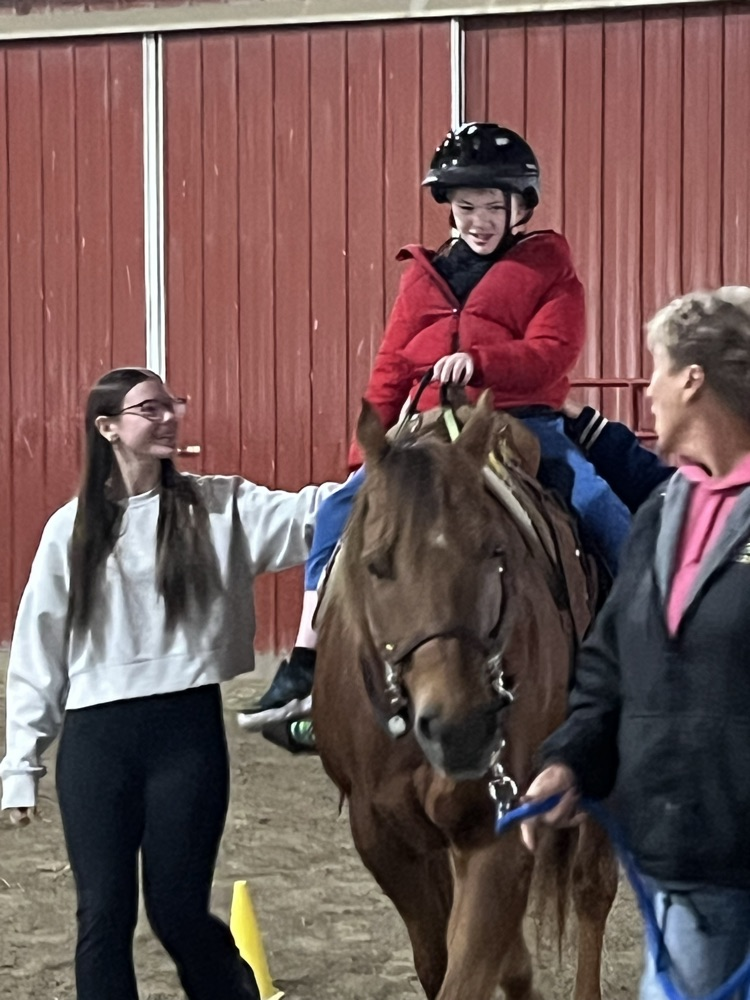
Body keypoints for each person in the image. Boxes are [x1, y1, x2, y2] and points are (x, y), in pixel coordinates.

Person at [240, 121, 632, 741]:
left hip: (518, 421)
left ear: (519, 208)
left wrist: (483, 363)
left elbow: (554, 352)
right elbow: (392, 366)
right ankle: (308, 663)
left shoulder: (551, 271)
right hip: (421, 426)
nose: (478, 220)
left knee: (601, 508)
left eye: (492, 207)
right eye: (465, 206)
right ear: (449, 209)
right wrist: (363, 462)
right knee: (342, 514)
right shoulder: (422, 277)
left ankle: (634, 655)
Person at [0, 367, 338, 1000]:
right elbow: (37, 651)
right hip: (96, 742)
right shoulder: (67, 531)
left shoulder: (218, 507)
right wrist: (21, 765)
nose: (168, 418)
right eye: (149, 409)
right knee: (103, 916)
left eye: (170, 405)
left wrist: (390, 462)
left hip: (185, 735)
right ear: (108, 429)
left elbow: (313, 514)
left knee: (178, 911)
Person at [522, 288, 750, 1000]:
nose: (645, 387)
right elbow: (612, 665)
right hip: (678, 856)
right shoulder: (661, 514)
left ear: (693, 379)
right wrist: (568, 760)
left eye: (655, 368)